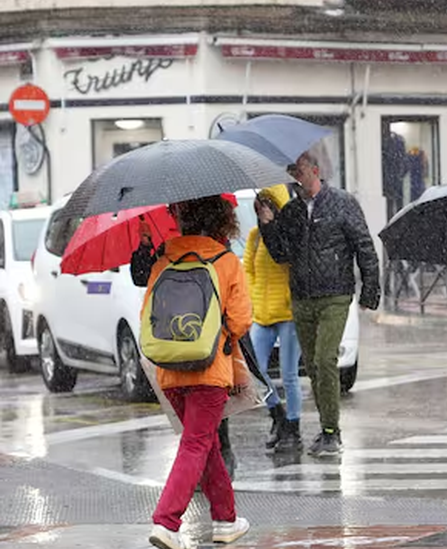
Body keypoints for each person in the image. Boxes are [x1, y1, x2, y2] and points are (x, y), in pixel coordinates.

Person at [145, 196, 253, 549]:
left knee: (205, 444)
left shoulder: (164, 260)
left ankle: (225, 519)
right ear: (223, 222)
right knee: (196, 443)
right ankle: (166, 522)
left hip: (170, 369)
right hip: (209, 369)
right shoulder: (226, 261)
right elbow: (240, 321)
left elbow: (149, 312)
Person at [256, 151, 380, 456]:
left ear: (314, 170)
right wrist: (268, 225)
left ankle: (331, 432)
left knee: (325, 360)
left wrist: (370, 291)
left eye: (299, 170)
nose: (296, 176)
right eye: (291, 172)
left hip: (335, 294)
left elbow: (364, 245)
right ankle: (326, 429)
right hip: (302, 297)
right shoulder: (292, 211)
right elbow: (281, 254)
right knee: (312, 365)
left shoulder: (342, 202)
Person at [132, 216, 238, 478]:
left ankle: (215, 461)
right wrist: (145, 248)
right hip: (184, 338)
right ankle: (212, 469)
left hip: (200, 338)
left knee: (206, 416)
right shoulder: (168, 250)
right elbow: (141, 276)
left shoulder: (215, 250)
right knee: (201, 421)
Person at [244, 184, 303, 452]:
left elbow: (287, 260)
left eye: (268, 205)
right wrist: (252, 299)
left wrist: (271, 226)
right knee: (255, 372)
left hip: (287, 314)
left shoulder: (288, 233)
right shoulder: (255, 236)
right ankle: (277, 415)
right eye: (259, 206)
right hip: (262, 314)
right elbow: (248, 270)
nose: (263, 211)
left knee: (289, 375)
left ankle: (293, 427)